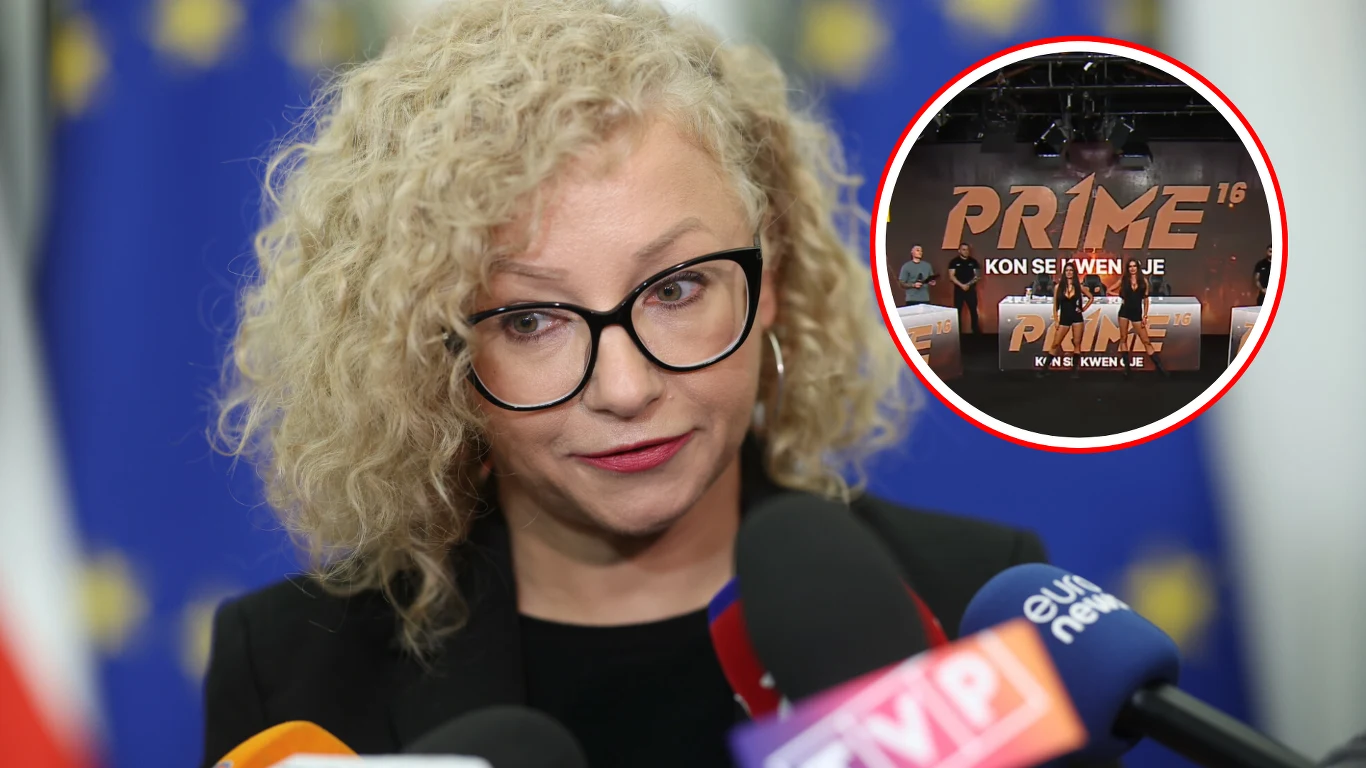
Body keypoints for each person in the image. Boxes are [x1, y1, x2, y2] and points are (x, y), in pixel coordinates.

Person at [200, 3, 1121, 768]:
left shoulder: (974, 600)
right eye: (531, 320)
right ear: (436, 352)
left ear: (771, 278)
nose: (626, 386)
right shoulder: (290, 672)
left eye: (675, 290)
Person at [1039, 263, 1092, 379]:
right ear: (1064, 272)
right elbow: (1055, 305)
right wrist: (1056, 320)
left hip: (1077, 318)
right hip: (1064, 318)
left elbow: (1091, 298)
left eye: (1071, 270)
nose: (1069, 272)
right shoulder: (1058, 287)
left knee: (1077, 344)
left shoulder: (1079, 286)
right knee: (1055, 343)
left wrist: (1083, 309)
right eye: (1067, 270)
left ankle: (1074, 370)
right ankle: (1044, 369)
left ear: (1074, 272)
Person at [1117, 259, 1165, 377]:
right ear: (1127, 268)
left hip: (1137, 313)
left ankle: (1160, 368)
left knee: (1146, 341)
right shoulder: (1124, 280)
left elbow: (1146, 299)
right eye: (1130, 266)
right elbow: (1109, 290)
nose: (1132, 268)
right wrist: (1122, 297)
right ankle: (1127, 369)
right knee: (1123, 338)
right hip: (1124, 312)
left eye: (1134, 266)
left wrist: (1145, 315)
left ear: (1137, 268)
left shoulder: (1143, 281)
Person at [948, 242, 982, 333]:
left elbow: (977, 276)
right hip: (958, 291)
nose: (966, 251)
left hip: (970, 290)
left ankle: (975, 330)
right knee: (958, 311)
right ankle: (957, 332)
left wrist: (968, 285)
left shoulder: (973, 262)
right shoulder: (954, 262)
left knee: (973, 310)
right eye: (963, 250)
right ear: (959, 251)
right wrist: (961, 285)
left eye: (967, 250)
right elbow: (951, 276)